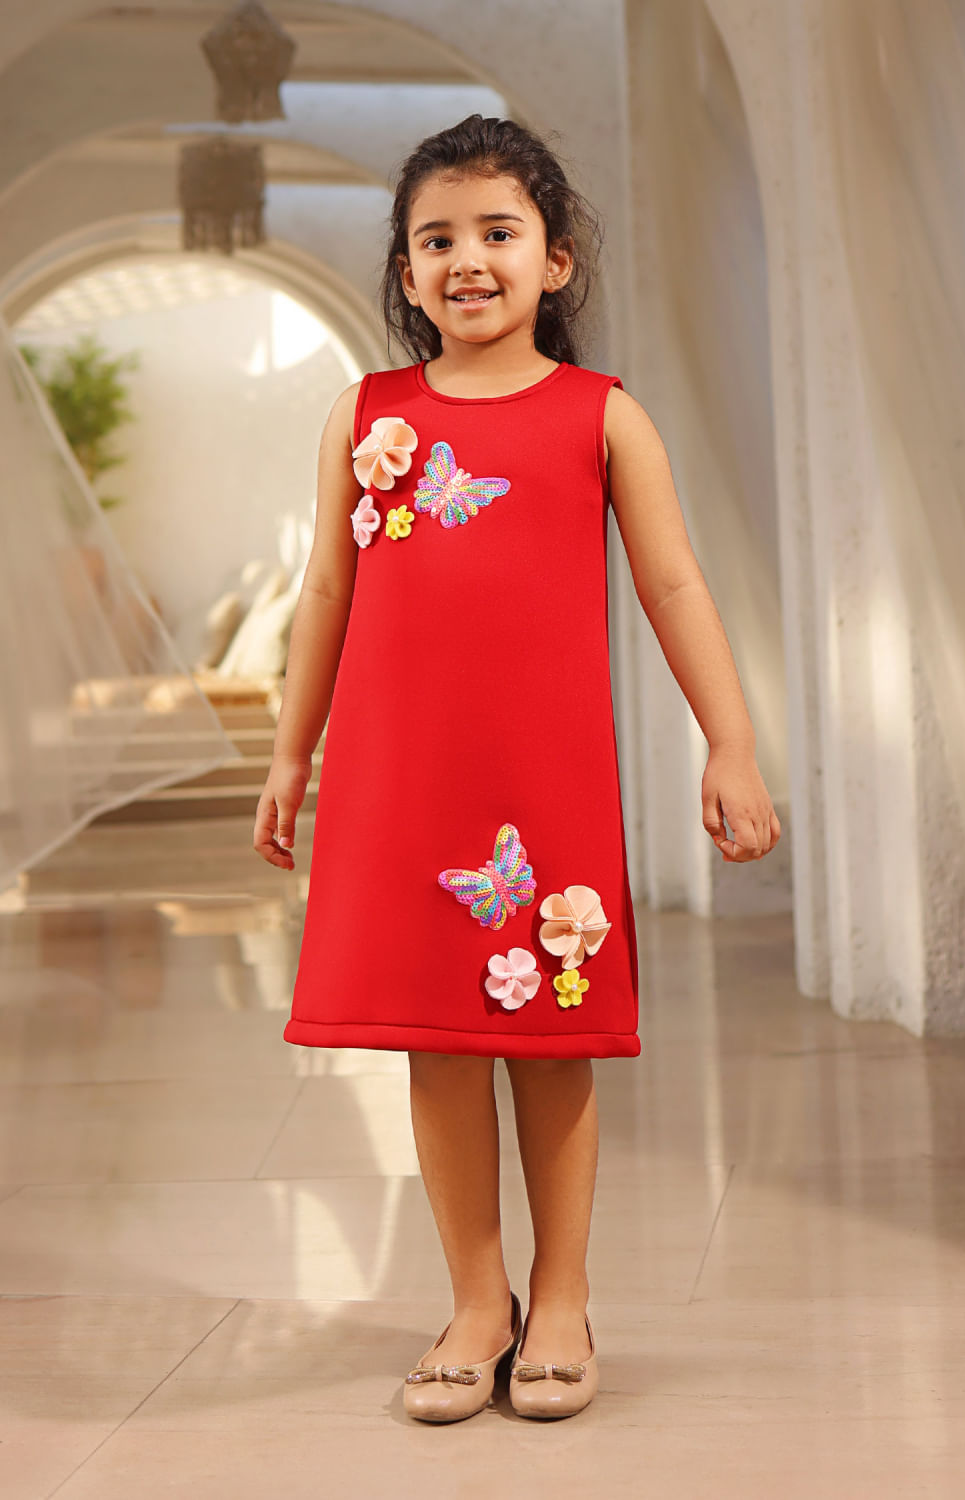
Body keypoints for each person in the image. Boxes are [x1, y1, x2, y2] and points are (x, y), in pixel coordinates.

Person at [253, 113, 781, 1423]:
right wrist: (290, 753)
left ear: (556, 260)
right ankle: (476, 1301)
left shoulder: (603, 418)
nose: (467, 260)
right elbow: (327, 592)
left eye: (498, 232)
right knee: (435, 1046)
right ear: (406, 270)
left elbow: (673, 583)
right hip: (400, 779)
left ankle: (562, 1297)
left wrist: (731, 740)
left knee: (550, 1037)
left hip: (541, 785)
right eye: (436, 240)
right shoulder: (365, 415)